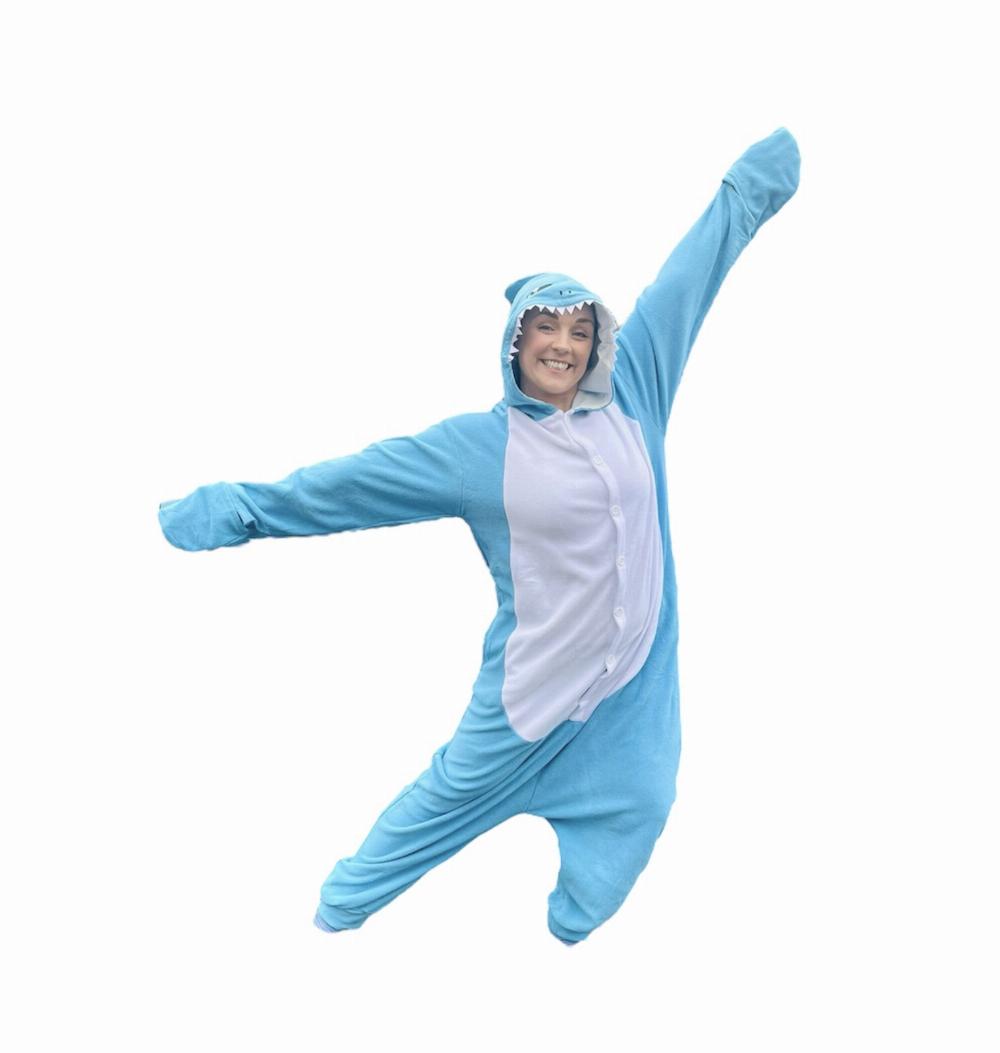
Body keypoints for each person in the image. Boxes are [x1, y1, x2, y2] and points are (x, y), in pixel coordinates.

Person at [158, 126, 800, 945]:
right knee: (437, 808)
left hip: (631, 696)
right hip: (526, 700)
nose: (564, 345)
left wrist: (748, 191)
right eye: (547, 329)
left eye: (579, 330)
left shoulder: (637, 385)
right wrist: (235, 511)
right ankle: (329, 920)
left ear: (598, 341)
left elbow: (689, 278)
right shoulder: (479, 449)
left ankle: (565, 933)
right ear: (517, 342)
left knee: (644, 801)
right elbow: (345, 487)